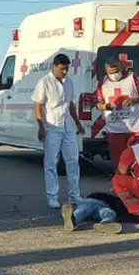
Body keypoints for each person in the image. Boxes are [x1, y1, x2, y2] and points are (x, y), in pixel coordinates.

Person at [32, 53, 84, 209]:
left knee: (73, 161)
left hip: (67, 127)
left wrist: (78, 123)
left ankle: (75, 195)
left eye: (67, 69)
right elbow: (38, 105)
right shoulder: (44, 82)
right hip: (52, 127)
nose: (65, 72)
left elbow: (71, 104)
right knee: (51, 163)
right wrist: (41, 127)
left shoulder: (69, 82)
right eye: (62, 69)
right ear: (54, 67)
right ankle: (52, 196)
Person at [95, 56, 139, 170]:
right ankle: (120, 183)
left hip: (134, 127)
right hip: (115, 128)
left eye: (116, 72)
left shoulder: (132, 77)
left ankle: (138, 182)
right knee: (118, 160)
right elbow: (98, 103)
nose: (114, 75)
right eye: (110, 73)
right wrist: (104, 106)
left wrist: (133, 100)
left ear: (121, 67)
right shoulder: (103, 81)